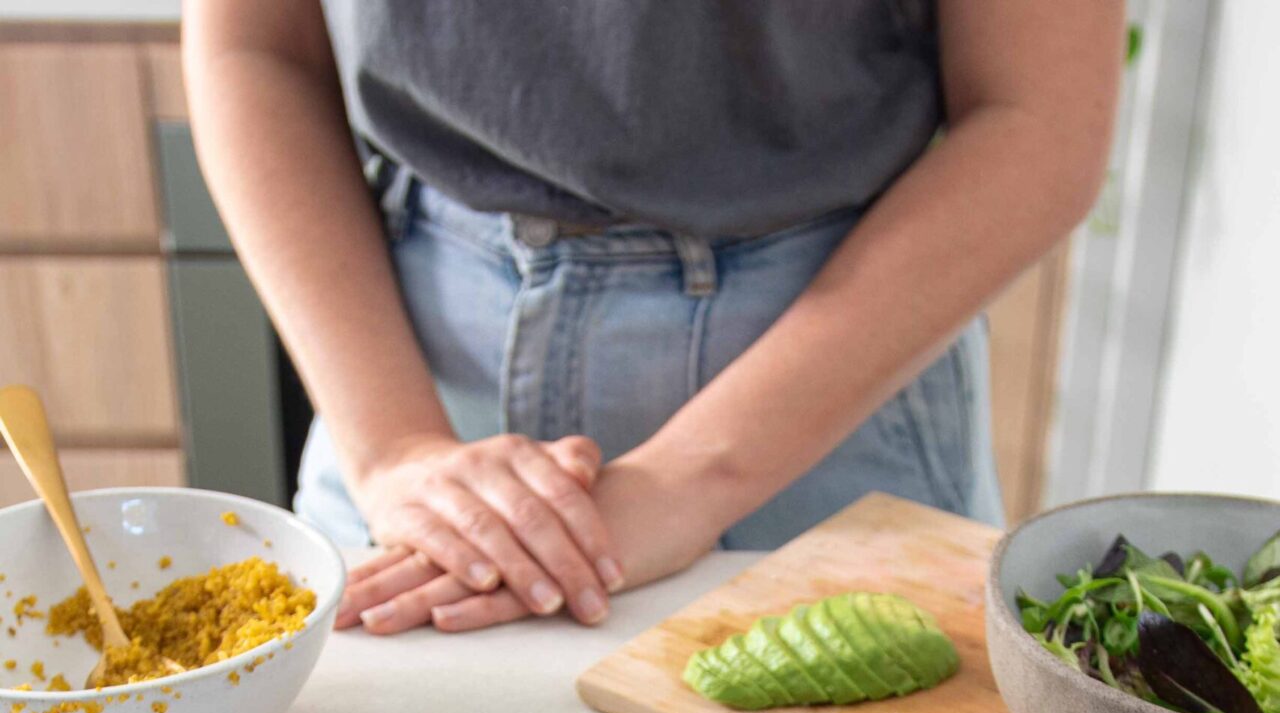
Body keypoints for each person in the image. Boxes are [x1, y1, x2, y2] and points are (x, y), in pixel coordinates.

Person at [185, 1, 1122, 637]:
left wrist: (694, 478)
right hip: (408, 365)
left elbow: (1036, 114)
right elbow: (257, 45)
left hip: (822, 391)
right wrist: (393, 447)